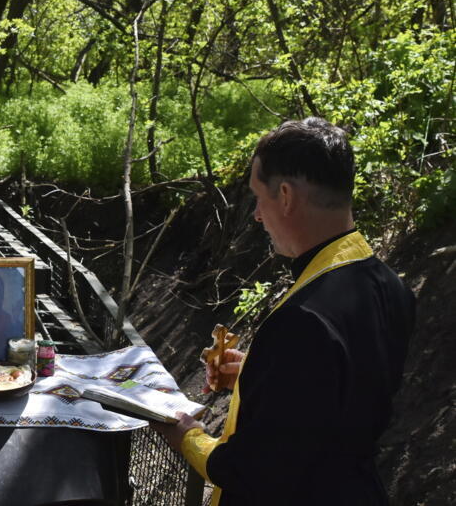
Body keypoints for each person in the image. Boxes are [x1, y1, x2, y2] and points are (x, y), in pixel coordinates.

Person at [151, 118, 415, 506]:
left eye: (260, 198)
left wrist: (185, 436)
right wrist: (258, 375)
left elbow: (252, 470)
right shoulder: (391, 287)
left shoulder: (304, 318)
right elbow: (338, 394)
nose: (257, 215)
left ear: (286, 196)